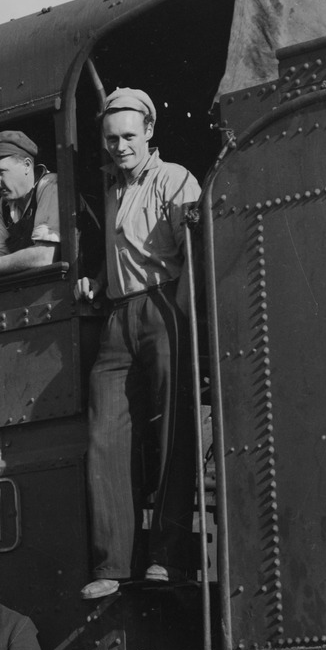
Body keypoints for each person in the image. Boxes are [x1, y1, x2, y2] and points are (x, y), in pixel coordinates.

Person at [76, 88, 202, 600]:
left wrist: (183, 317)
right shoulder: (111, 190)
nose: (120, 146)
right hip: (118, 315)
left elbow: (192, 253)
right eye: (112, 139)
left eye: (129, 136)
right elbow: (123, 251)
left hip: (164, 305)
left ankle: (168, 560)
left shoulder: (175, 179)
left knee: (174, 432)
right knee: (104, 436)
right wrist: (97, 280)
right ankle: (113, 565)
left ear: (149, 131)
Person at [0, 131, 61, 281]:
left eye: (0, 171)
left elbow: (45, 255)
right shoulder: (3, 205)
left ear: (27, 165)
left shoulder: (50, 185)